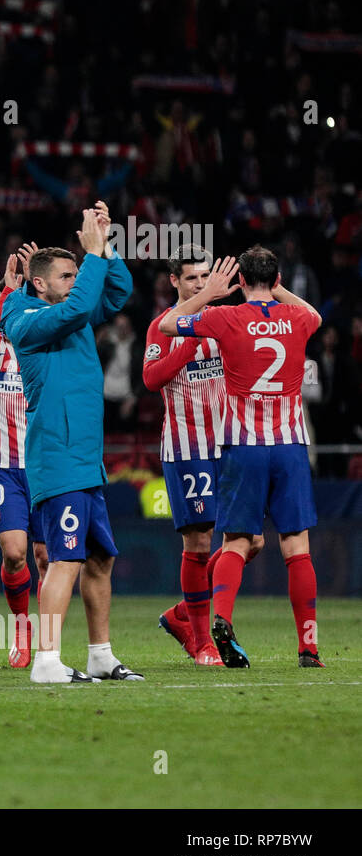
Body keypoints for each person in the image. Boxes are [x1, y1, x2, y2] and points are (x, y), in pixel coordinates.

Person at [160, 247, 324, 667]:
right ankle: (308, 648)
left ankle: (221, 620)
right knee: (296, 545)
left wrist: (208, 294)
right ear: (278, 277)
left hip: (242, 446)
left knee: (235, 541)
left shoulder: (226, 317)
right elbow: (316, 315)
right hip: (289, 445)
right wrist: (277, 290)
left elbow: (166, 323)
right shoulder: (299, 319)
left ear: (241, 282)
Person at [0, 203, 142, 684]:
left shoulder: (71, 313)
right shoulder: (26, 319)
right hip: (57, 458)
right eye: (68, 274)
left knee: (100, 558)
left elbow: (117, 292)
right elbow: (82, 302)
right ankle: (47, 661)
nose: (76, 280)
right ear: (40, 283)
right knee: (65, 559)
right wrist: (93, 254)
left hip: (85, 459)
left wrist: (106, 243)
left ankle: (101, 655)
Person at [143, 244, 255, 666]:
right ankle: (203, 642)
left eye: (206, 276)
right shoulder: (164, 326)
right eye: (192, 278)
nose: (201, 283)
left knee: (252, 540)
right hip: (187, 446)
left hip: (228, 444)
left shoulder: (224, 321)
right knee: (201, 542)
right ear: (175, 282)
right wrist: (190, 339)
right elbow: (151, 379)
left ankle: (182, 614)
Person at [0, 248, 49, 669]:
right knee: (15, 553)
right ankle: (22, 628)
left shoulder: (43, 340)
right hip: (3, 463)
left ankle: (50, 642)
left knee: (47, 558)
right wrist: (8, 290)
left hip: (44, 462)